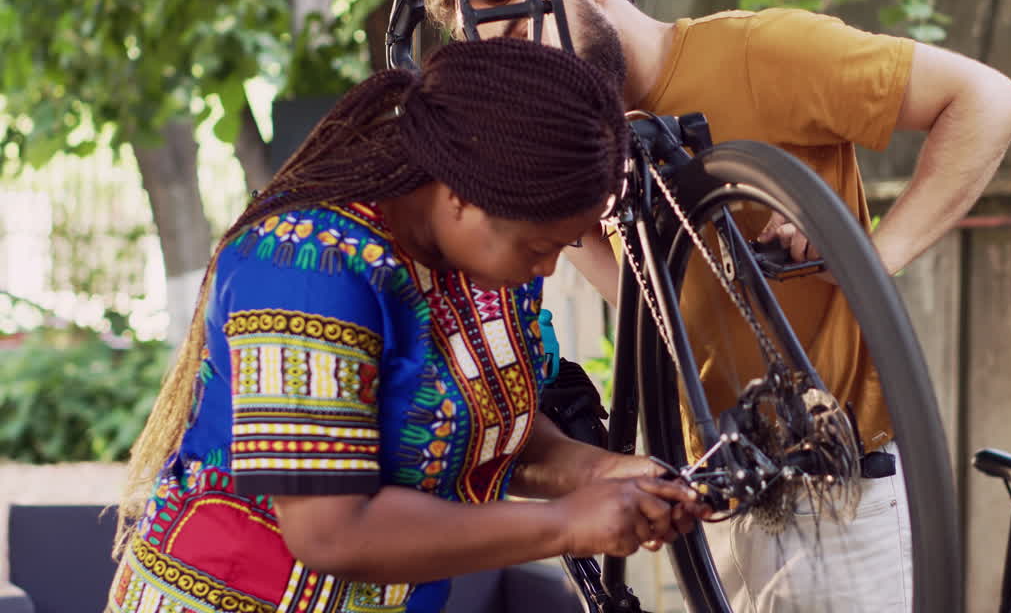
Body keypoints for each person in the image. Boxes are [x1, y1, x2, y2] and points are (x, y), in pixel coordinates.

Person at [427, 0, 1011, 613]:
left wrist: (872, 255)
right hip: (721, 489)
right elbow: (651, 305)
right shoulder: (588, 134)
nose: (531, 62)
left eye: (530, 30)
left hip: (839, 489)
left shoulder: (760, 50)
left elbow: (990, 99)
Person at [108, 38, 708, 613]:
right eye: (539, 245)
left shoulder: (488, 264)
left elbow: (483, 438)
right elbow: (331, 533)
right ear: (460, 197)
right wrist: (568, 524)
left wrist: (603, 473)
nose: (549, 266)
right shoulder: (305, 268)